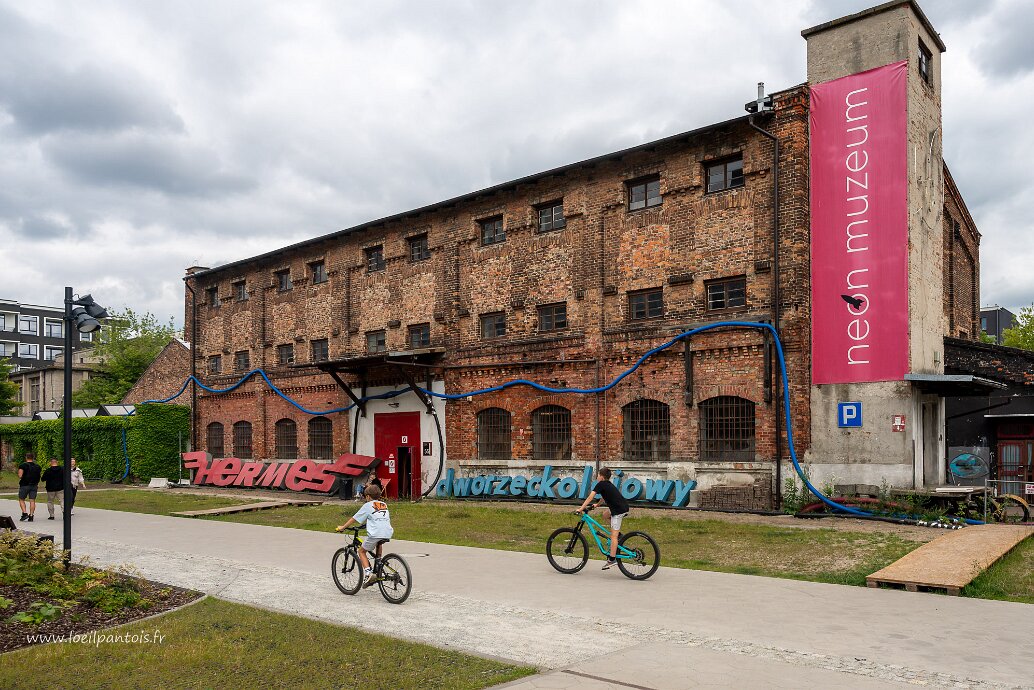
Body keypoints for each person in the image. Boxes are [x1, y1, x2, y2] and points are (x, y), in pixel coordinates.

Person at [336, 484, 393, 588]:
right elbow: (378, 517)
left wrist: (343, 527)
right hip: (387, 532)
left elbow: (354, 518)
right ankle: (379, 563)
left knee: (361, 551)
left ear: (368, 496)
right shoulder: (384, 504)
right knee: (379, 542)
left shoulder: (368, 505)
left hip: (376, 533)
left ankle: (368, 573)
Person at [577, 467, 630, 570]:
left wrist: (581, 509)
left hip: (618, 510)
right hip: (621, 507)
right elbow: (604, 496)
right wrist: (597, 505)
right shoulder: (607, 484)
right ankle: (619, 535)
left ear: (601, 477)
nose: (597, 477)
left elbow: (590, 497)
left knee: (613, 536)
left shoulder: (600, 484)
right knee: (605, 515)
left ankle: (612, 559)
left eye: (598, 475)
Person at [17, 453, 42, 522]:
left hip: (24, 485)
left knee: (21, 499)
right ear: (33, 458)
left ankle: (24, 513)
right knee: (32, 500)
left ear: (26, 457)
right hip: (34, 485)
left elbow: (20, 475)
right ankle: (31, 516)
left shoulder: (22, 465)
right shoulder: (38, 466)